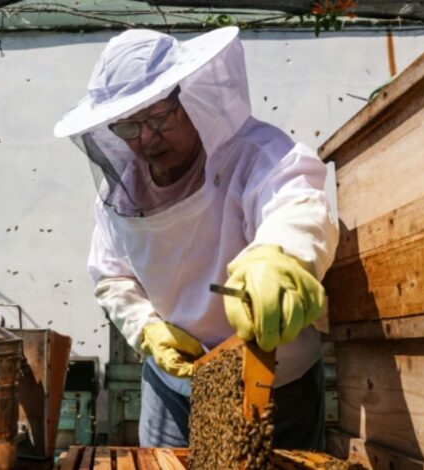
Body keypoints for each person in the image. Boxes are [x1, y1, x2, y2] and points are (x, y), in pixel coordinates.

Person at [54, 27, 339, 450]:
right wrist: (147, 329)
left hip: (278, 378)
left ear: (190, 98)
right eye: (129, 127)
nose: (146, 139)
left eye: (158, 117)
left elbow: (295, 201)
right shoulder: (118, 193)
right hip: (173, 383)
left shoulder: (253, 154)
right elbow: (111, 276)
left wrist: (280, 256)